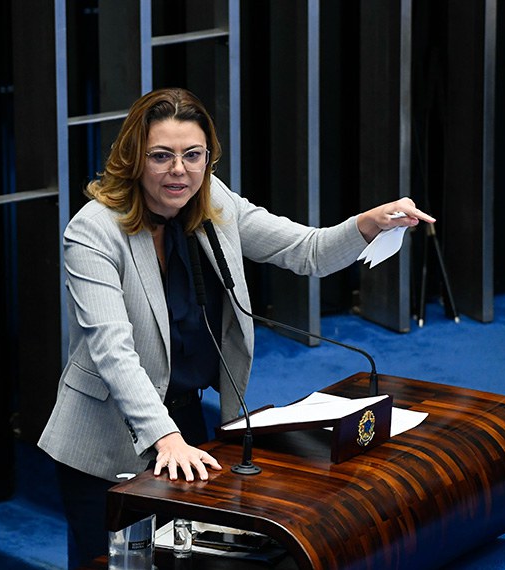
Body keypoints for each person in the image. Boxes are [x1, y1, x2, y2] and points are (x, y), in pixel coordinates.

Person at [37, 87, 435, 568]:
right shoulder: (93, 231)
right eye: (161, 156)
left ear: (209, 158)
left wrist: (367, 225)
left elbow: (304, 250)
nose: (178, 170)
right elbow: (112, 351)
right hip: (104, 440)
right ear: (134, 158)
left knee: (184, 560)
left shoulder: (213, 202)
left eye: (193, 155)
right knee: (113, 563)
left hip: (186, 422)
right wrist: (163, 438)